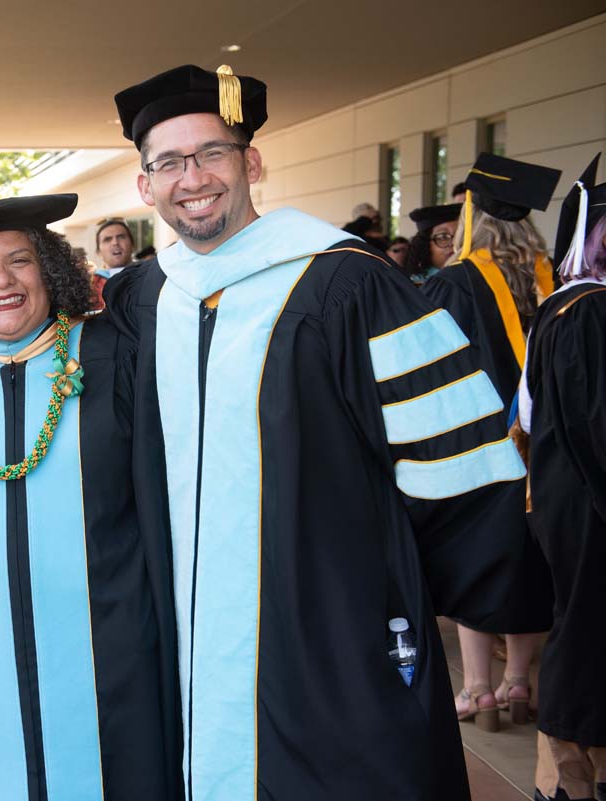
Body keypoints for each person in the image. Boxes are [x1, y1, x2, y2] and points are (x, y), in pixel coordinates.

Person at [106, 63, 541, 800]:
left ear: (251, 162)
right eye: (169, 163)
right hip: (180, 626)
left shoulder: (350, 284)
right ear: (146, 186)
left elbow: (450, 457)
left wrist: (401, 595)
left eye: (212, 153)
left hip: (329, 622)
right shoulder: (143, 301)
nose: (193, 177)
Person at [0, 194, 176, 800]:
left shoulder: (110, 356)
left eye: (20, 261)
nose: (1, 281)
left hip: (111, 645)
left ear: (49, 271)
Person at [421, 153, 559, 733]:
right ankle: (520, 679)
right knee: (534, 560)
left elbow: (431, 364)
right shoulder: (554, 277)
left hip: (479, 448)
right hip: (546, 445)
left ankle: (477, 689)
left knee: (477, 558)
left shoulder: (455, 281)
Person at [519, 154, 606, 801]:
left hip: (563, 492)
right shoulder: (592, 313)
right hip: (590, 497)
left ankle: (570, 768)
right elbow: (596, 424)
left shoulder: (560, 305)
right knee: (587, 628)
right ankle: (570, 773)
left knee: (580, 622)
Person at [401, 203, 460, 286]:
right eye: (443, 237)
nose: (454, 243)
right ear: (425, 245)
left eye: (460, 236)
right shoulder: (413, 287)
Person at [89, 217, 137, 310]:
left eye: (121, 237)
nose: (115, 242)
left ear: (132, 244)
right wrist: (63, 324)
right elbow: (63, 318)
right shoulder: (90, 284)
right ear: (98, 251)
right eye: (107, 239)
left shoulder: (150, 276)